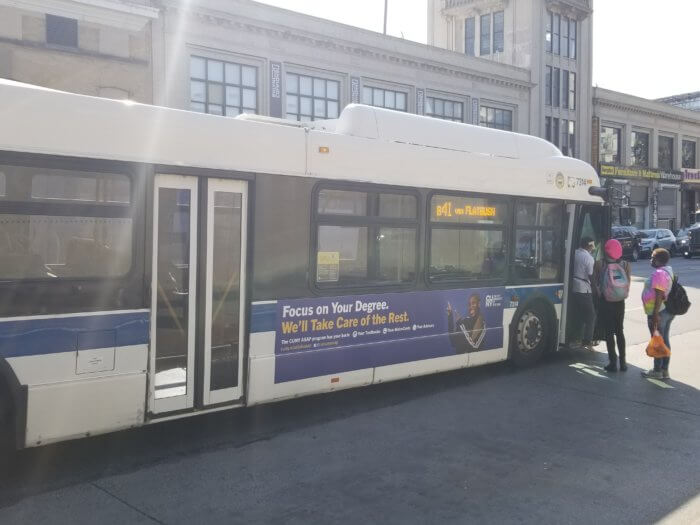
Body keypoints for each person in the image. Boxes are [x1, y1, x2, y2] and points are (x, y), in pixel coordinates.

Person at [595, 239, 630, 372]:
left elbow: (596, 283)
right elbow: (627, 284)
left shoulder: (600, 264)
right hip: (620, 302)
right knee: (620, 331)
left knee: (609, 333)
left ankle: (612, 363)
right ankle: (623, 363)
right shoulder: (626, 264)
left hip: (606, 302)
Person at [641, 248, 675, 380]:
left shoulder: (659, 273)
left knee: (657, 341)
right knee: (664, 339)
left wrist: (655, 314)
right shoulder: (668, 270)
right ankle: (664, 370)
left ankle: (657, 370)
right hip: (666, 310)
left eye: (652, 257)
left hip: (658, 311)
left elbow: (659, 294)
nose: (650, 260)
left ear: (658, 260)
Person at [571, 237, 596, 350]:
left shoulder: (575, 252)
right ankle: (587, 341)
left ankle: (575, 338)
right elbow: (591, 275)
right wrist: (596, 289)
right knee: (591, 316)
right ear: (588, 245)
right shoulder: (588, 258)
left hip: (573, 285)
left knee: (578, 313)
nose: (593, 247)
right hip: (583, 288)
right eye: (592, 245)